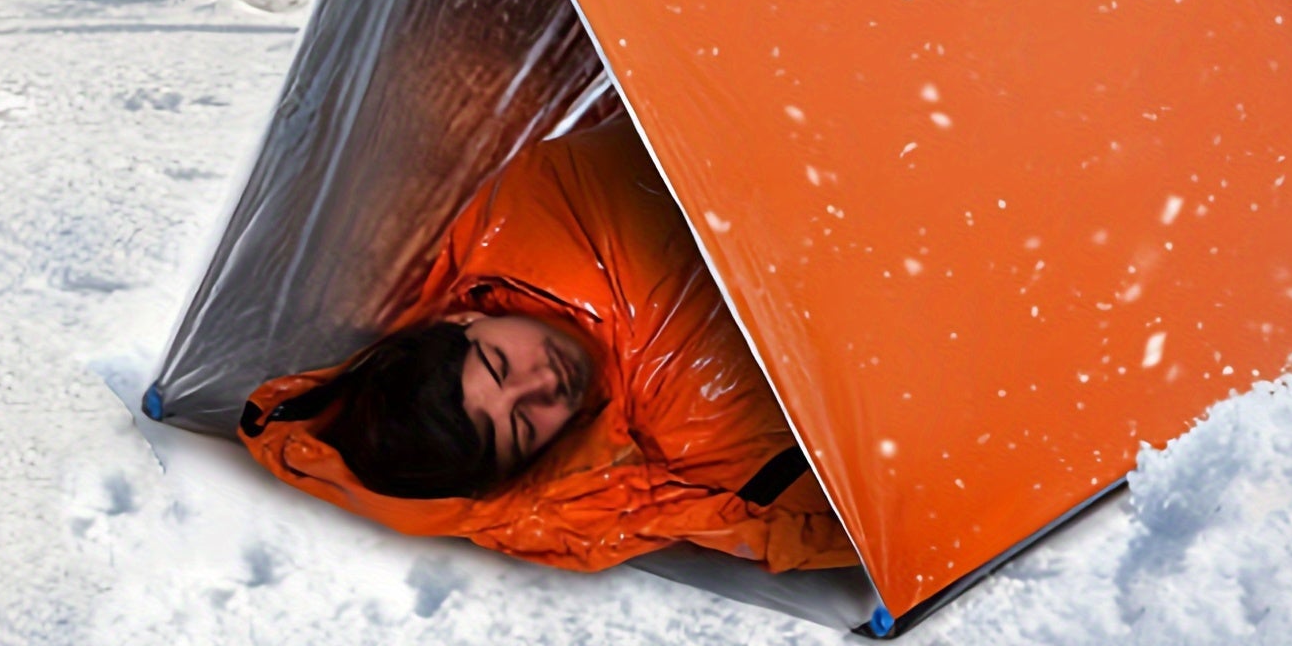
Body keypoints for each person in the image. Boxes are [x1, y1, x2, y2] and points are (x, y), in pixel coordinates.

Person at [240, 111, 858, 574]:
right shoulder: (699, 432)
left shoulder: (534, 201)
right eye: (526, 424)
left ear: (460, 322)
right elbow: (853, 518)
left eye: (502, 366)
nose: (544, 384)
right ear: (538, 459)